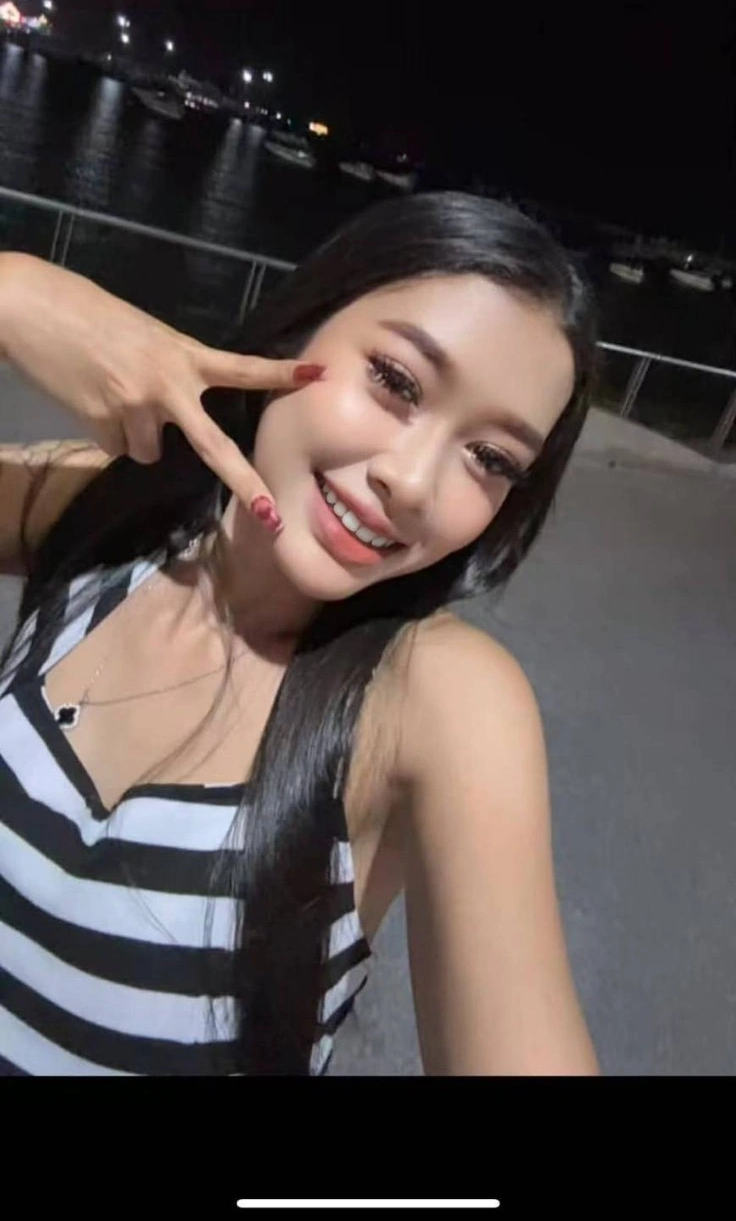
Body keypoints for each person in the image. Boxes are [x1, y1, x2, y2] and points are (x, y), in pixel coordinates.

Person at [0, 190, 602, 1077]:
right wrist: (15, 290)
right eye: (397, 381)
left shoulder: (436, 701)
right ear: (302, 326)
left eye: (491, 459)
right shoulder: (108, 510)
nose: (412, 482)